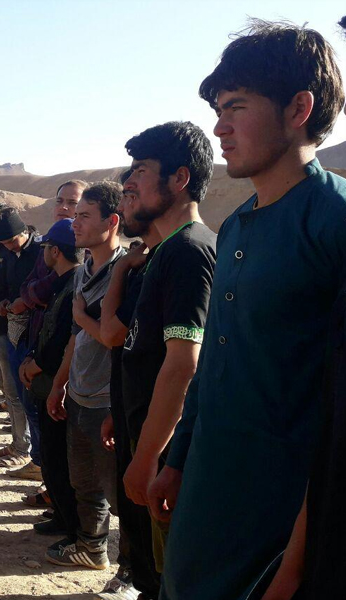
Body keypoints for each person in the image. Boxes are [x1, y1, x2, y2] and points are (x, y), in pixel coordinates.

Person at [147, 22, 346, 600]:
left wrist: (299, 561)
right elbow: (213, 366)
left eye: (236, 106)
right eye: (217, 108)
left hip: (282, 519)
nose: (219, 126)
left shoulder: (333, 225)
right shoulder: (233, 225)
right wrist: (178, 458)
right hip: (207, 497)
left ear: (298, 108)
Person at [118, 122, 216, 585]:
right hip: (148, 433)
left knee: (171, 573)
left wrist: (149, 455)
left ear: (179, 179)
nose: (128, 183)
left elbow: (183, 363)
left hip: (169, 449)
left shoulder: (189, 251)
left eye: (140, 170)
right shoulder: (166, 251)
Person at [45, 181, 125, 570]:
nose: (74, 223)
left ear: (111, 221)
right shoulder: (85, 269)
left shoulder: (126, 272)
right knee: (85, 482)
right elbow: (77, 339)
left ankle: (133, 569)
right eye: (74, 216)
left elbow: (118, 339)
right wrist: (60, 384)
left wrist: (81, 318)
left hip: (108, 398)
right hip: (79, 393)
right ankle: (92, 547)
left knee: (120, 491)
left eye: (83, 216)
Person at [98, 175, 164, 600]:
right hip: (130, 407)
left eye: (134, 193)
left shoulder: (183, 255)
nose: (127, 203)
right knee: (136, 514)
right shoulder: (148, 261)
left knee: (158, 523)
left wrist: (120, 269)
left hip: (160, 421)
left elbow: (109, 332)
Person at [17, 219, 84, 548]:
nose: (42, 253)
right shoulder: (61, 282)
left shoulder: (74, 284)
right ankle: (60, 515)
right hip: (44, 381)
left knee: (60, 460)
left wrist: (36, 364)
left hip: (58, 383)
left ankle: (74, 531)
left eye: (45, 248)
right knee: (51, 456)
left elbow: (62, 339)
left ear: (55, 251)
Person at [0, 207, 40, 479]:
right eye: (4, 244)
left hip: (35, 332)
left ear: (24, 232)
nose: (9, 247)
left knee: (30, 396)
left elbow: (49, 287)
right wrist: (4, 303)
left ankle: (31, 454)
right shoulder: (8, 255)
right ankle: (20, 444)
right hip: (10, 327)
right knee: (15, 393)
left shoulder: (42, 253)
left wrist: (27, 302)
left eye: (11, 242)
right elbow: (9, 287)